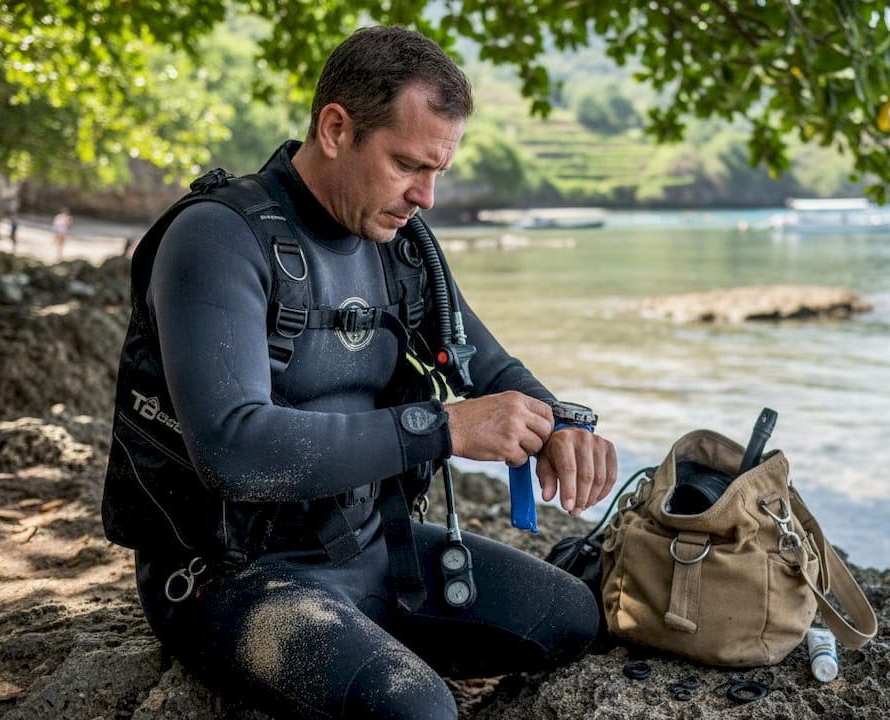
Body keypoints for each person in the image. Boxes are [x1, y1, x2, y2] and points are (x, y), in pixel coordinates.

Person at [100, 26, 618, 719]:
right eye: (408, 165)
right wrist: (441, 427)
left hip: (373, 547)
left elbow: (484, 363)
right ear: (337, 128)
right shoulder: (218, 239)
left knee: (572, 618)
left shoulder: (398, 244)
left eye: (438, 172)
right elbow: (233, 451)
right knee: (417, 711)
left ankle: (376, 647)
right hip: (233, 578)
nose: (426, 197)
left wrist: (559, 421)